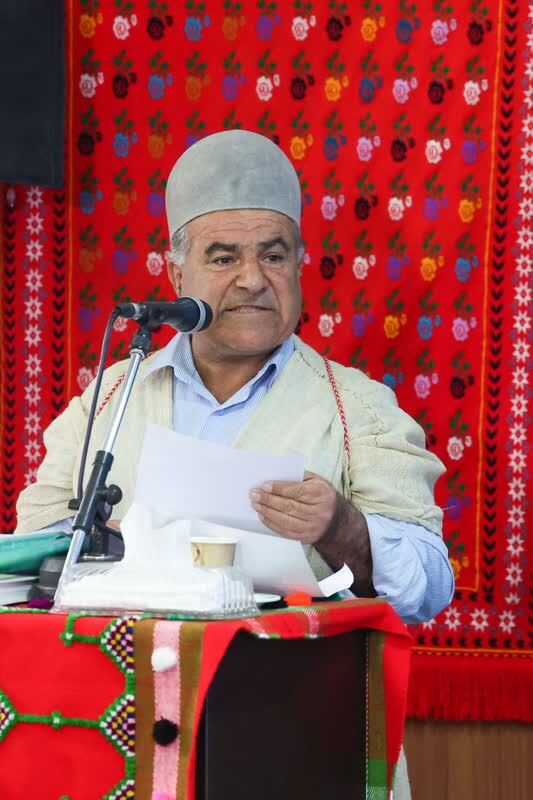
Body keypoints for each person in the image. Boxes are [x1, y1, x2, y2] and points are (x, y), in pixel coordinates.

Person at [16, 130, 453, 796]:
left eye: (273, 255)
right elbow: (31, 565)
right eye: (223, 257)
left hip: (300, 740)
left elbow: (429, 587)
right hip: (126, 738)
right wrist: (101, 551)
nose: (252, 279)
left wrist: (345, 529)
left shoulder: (357, 410)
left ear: (299, 264)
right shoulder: (107, 402)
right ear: (176, 274)